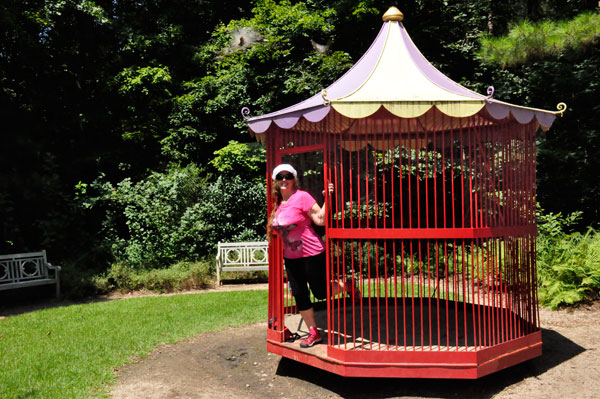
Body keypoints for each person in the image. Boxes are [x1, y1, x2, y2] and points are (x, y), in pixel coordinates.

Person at [267, 164, 358, 348]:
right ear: (275, 181)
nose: (284, 180)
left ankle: (347, 285)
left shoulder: (302, 197)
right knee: (300, 295)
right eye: (280, 177)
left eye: (288, 176)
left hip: (312, 253)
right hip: (291, 258)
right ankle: (314, 333)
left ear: (294, 179)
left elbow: (321, 220)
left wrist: (329, 198)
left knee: (321, 292)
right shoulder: (278, 203)